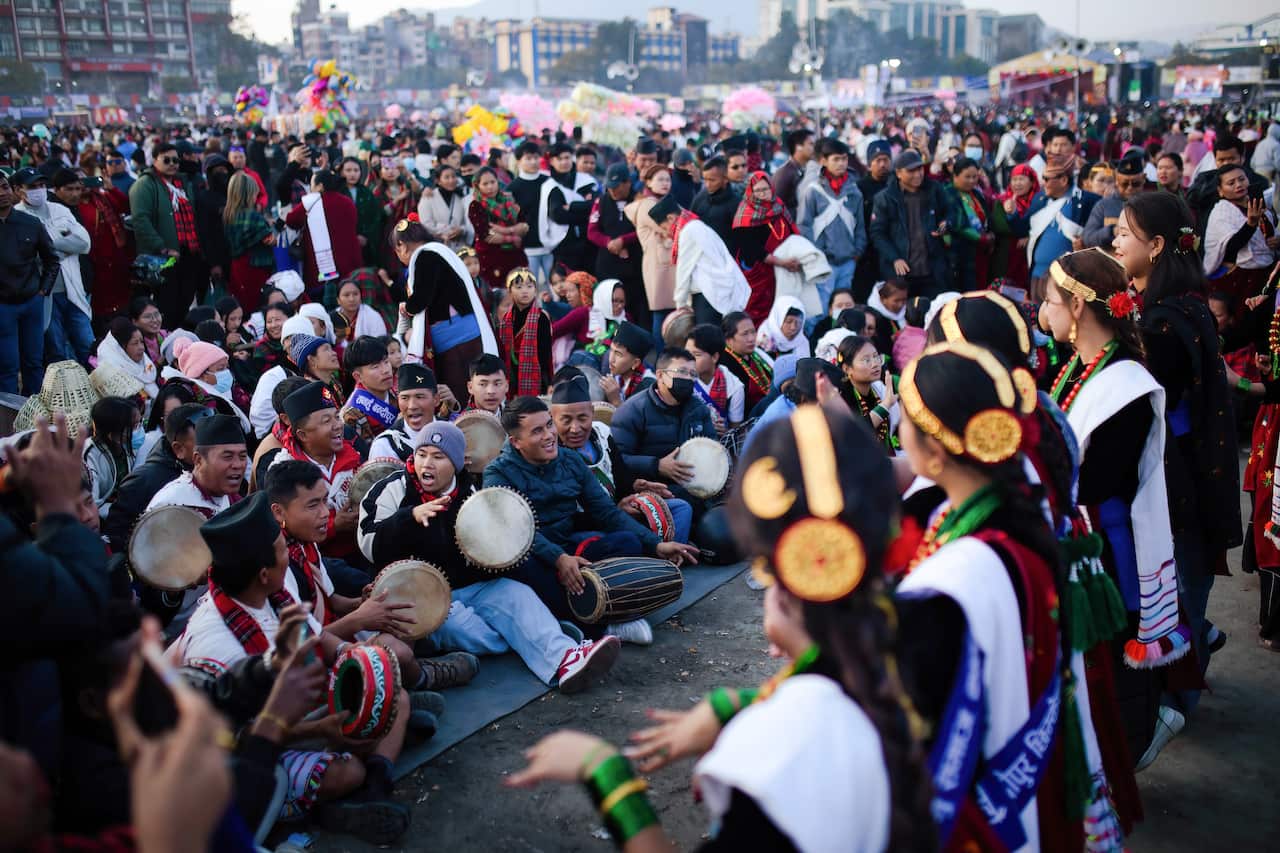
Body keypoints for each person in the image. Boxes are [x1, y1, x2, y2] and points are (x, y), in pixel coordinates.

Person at [506, 403, 932, 852]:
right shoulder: (921, 629)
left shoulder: (784, 748)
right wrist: (738, 704)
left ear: (772, 572)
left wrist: (605, 773)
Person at [893, 338, 1113, 851]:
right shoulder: (1004, 516)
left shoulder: (958, 576)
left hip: (973, 803)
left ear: (935, 452)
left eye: (903, 419)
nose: (897, 431)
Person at [169, 492, 413, 843]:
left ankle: (376, 784)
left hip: (294, 707)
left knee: (394, 696)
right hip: (248, 751)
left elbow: (315, 638)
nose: (289, 556)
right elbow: (235, 739)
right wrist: (322, 730)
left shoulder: (270, 593)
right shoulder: (218, 645)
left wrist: (356, 658)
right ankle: (325, 805)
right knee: (345, 771)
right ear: (264, 573)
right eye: (283, 550)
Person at [1039, 247, 1192, 774]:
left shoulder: (1125, 385)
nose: (1047, 312)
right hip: (1077, 538)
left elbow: (1094, 484)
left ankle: (1131, 751)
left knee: (1105, 675)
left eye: (1052, 302)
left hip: (1104, 553)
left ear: (1079, 308)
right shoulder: (1076, 369)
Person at [358, 418, 618, 690]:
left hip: (468, 586)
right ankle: (540, 635)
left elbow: (491, 559)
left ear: (457, 464)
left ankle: (566, 660)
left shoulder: (473, 494)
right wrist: (409, 518)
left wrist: (498, 553)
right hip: (419, 596)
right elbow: (369, 546)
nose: (427, 464)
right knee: (472, 630)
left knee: (516, 595)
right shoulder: (391, 488)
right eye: (421, 455)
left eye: (438, 457)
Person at [1116, 193, 1242, 730]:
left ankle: (1174, 707)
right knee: (1179, 590)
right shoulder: (1170, 305)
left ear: (1158, 245)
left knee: (1176, 592)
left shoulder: (1166, 323)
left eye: (1125, 232)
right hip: (1181, 474)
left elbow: (1158, 412)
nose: (1115, 239)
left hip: (1178, 481)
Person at [484, 396, 698, 640]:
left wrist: (656, 544)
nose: (549, 435)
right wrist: (559, 559)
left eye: (549, 425)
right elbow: (514, 532)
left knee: (628, 542)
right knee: (524, 567)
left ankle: (573, 613)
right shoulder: (497, 473)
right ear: (516, 442)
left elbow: (606, 513)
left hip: (569, 546)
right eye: (537, 431)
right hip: (530, 552)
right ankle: (600, 628)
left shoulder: (570, 460)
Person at [391, 216, 500, 397]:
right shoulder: (440, 251)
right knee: (480, 390)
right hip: (469, 331)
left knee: (462, 395)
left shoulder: (425, 256)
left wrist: (407, 308)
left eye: (396, 250)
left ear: (402, 245)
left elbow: (421, 299)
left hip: (454, 339)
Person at [610, 347, 719, 510]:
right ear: (660, 375)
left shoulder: (699, 409)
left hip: (694, 489)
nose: (688, 379)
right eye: (682, 372)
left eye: (692, 374)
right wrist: (657, 465)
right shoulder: (633, 410)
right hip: (650, 492)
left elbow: (712, 449)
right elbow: (617, 460)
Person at [15, 168, 93, 365]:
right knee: (56, 351)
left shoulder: (60, 210)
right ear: (19, 190)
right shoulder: (17, 216)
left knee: (88, 346)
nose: (39, 190)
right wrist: (64, 243)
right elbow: (29, 255)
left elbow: (84, 244)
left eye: (41, 185)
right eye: (32, 187)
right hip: (44, 294)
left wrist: (47, 244)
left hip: (73, 291)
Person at [128, 142, 205, 329]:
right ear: (154, 160)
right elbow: (140, 220)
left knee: (186, 299)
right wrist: (161, 247)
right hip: (163, 257)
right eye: (167, 160)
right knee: (167, 304)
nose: (172, 164)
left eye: (175, 160)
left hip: (188, 252)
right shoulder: (144, 185)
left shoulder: (182, 183)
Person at [653, 197, 750, 326]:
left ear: (670, 218)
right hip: (719, 291)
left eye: (664, 228)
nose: (667, 232)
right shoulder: (696, 225)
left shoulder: (688, 231)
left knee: (707, 342)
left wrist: (680, 304)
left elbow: (684, 270)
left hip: (709, 296)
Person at [869, 150, 951, 298]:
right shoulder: (885, 198)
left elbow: (949, 212)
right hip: (902, 273)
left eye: (919, 169)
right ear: (899, 173)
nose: (917, 174)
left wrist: (945, 223)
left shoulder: (934, 189)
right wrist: (894, 258)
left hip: (932, 269)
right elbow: (878, 233)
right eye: (911, 171)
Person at [797, 139, 866, 304]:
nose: (841, 163)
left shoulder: (854, 191)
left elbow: (860, 225)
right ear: (823, 161)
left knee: (844, 304)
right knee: (821, 306)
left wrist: (857, 251)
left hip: (848, 260)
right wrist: (816, 253)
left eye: (844, 159)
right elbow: (803, 225)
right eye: (836, 159)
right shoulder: (813, 191)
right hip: (822, 261)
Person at [732, 171, 799, 329]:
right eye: (758, 191)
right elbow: (752, 248)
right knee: (757, 314)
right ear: (750, 192)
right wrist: (780, 262)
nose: (763, 194)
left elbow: (792, 229)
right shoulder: (745, 215)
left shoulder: (778, 206)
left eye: (766, 189)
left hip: (784, 271)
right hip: (760, 273)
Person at [1202, 164, 1277, 305]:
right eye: (1231, 183)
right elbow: (1230, 248)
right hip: (1239, 278)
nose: (1238, 185)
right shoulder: (1221, 213)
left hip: (1267, 274)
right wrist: (1250, 224)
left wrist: (1276, 242)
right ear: (1220, 191)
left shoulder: (1260, 205)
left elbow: (1269, 236)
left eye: (1242, 179)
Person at [1015, 162, 1100, 282]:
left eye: (1046, 179)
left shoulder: (1086, 201)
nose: (1043, 183)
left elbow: (1096, 236)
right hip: (1037, 274)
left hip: (1066, 277)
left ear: (1063, 180)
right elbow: (1023, 228)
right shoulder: (1040, 200)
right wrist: (1012, 214)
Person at [284, 169, 361, 300]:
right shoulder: (347, 202)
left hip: (321, 268)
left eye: (312, 185)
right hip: (349, 263)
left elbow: (291, 220)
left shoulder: (311, 202)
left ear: (320, 186)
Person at [589, 163, 646, 329]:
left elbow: (644, 229)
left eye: (617, 186)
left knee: (634, 306)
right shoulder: (601, 201)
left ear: (628, 183)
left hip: (634, 266)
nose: (613, 191)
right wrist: (609, 243)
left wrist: (624, 240)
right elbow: (592, 231)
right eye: (610, 187)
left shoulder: (640, 200)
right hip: (608, 265)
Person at [626, 164, 678, 341]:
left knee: (669, 313)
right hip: (657, 267)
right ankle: (661, 357)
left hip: (666, 265)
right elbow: (670, 227)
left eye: (667, 179)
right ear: (648, 182)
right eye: (660, 179)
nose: (665, 183)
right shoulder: (648, 205)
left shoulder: (664, 203)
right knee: (660, 314)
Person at [76, 167, 134, 320]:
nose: (83, 185)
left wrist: (111, 188)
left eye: (84, 179)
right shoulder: (75, 206)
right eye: (78, 181)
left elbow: (124, 206)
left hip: (116, 257)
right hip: (95, 261)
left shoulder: (102, 198)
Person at [368, 363, 452, 462]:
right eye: (405, 398)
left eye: (419, 397)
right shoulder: (385, 445)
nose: (412, 406)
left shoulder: (452, 433)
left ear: (436, 399)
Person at [835, 335, 898, 455]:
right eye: (866, 360)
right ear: (847, 369)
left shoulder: (878, 389)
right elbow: (855, 433)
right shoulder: (841, 397)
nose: (875, 364)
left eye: (876, 357)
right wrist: (885, 405)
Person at [468, 166, 529, 288]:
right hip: (491, 258)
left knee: (520, 290)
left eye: (493, 182)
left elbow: (524, 226)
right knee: (496, 296)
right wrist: (513, 236)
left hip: (514, 255)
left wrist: (505, 230)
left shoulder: (508, 200)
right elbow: (485, 235)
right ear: (477, 185)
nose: (490, 187)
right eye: (485, 184)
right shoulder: (476, 205)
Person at [82, 395, 142, 519]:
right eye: (134, 426)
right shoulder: (90, 456)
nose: (139, 430)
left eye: (140, 423)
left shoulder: (126, 446)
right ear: (112, 434)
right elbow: (93, 504)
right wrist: (125, 512)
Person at [498, 267, 553, 397]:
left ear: (535, 290)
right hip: (510, 373)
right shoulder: (506, 319)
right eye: (519, 287)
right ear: (509, 291)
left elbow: (545, 353)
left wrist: (549, 381)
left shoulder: (541, 317)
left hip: (535, 375)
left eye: (529, 286)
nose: (525, 291)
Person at [944, 156, 994, 291]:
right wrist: (981, 238)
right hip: (958, 254)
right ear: (955, 175)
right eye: (967, 177)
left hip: (978, 253)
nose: (972, 181)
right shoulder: (947, 193)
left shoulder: (976, 194)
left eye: (975, 177)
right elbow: (957, 224)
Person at [685, 323, 745, 432]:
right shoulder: (681, 377)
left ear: (714, 357)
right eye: (687, 353)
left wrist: (725, 432)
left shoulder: (734, 388)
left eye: (696, 355)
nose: (689, 359)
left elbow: (736, 431)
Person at [854, 140, 894, 301]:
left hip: (891, 249)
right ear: (869, 163)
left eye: (886, 160)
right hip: (867, 253)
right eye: (878, 160)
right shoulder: (859, 187)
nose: (882, 164)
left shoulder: (896, 185)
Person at [990, 163, 1039, 289]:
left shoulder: (1039, 202)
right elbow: (999, 226)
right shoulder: (1002, 201)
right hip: (1005, 255)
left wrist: (1029, 237)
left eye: (1022, 179)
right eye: (1014, 179)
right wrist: (1010, 213)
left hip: (1029, 257)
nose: (1017, 183)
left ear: (1032, 182)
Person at [1084, 156, 1149, 249]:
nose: (1130, 188)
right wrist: (1112, 231)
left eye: (1135, 184)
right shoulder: (1103, 205)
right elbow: (1088, 238)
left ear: (1143, 179)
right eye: (1125, 184)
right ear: (1117, 181)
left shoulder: (1150, 204)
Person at [342, 336, 398, 441]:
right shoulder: (352, 414)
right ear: (358, 377)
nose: (385, 370)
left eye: (386, 362)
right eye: (375, 367)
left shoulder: (400, 392)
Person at [95, 316, 160, 401]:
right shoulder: (114, 377)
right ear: (121, 349)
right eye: (135, 343)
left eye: (141, 342)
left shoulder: (146, 364)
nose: (142, 348)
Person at [720, 311, 773, 413]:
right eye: (745, 334)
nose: (752, 338)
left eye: (753, 332)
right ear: (728, 339)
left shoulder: (757, 354)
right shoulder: (724, 364)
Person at [416, 163, 472, 252]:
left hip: (461, 248)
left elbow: (467, 222)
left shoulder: (461, 197)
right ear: (438, 180)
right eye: (447, 177)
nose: (451, 180)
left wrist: (461, 230)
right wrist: (445, 231)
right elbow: (426, 223)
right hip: (438, 247)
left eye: (453, 176)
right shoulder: (428, 197)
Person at [331, 276, 389, 360]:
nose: (351, 299)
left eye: (355, 294)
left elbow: (380, 343)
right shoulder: (332, 318)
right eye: (346, 295)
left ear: (361, 297)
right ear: (338, 300)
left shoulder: (372, 315)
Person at [689, 155, 741, 245]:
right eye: (705, 180)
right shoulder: (700, 197)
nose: (707, 184)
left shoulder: (737, 204)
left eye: (712, 180)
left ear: (725, 179)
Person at [604, 321, 655, 406]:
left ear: (635, 363)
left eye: (618, 354)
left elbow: (636, 419)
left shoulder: (648, 388)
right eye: (611, 350)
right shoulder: (617, 376)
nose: (611, 360)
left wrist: (616, 401)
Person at [772, 127, 815, 219]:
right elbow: (776, 207)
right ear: (798, 147)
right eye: (811, 144)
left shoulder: (803, 168)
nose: (814, 148)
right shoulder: (785, 173)